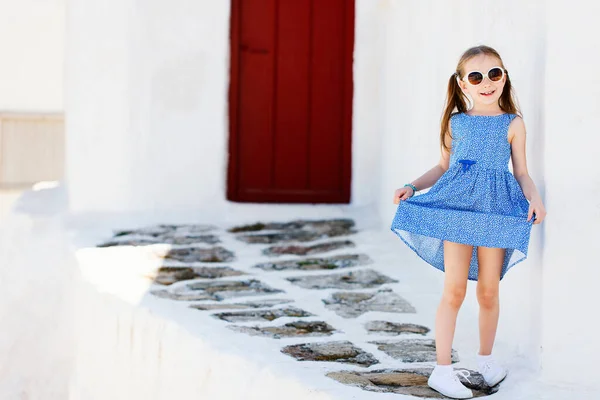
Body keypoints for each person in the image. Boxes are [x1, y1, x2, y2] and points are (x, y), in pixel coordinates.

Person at [390, 45, 547, 399]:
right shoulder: (456, 123)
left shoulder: (513, 123)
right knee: (455, 290)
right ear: (463, 85)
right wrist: (413, 186)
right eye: (476, 76)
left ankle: (486, 361)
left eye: (495, 73)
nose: (487, 82)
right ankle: (442, 369)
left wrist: (534, 197)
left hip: (496, 208)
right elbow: (443, 167)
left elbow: (521, 172)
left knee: (489, 291)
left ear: (504, 77)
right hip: (456, 206)